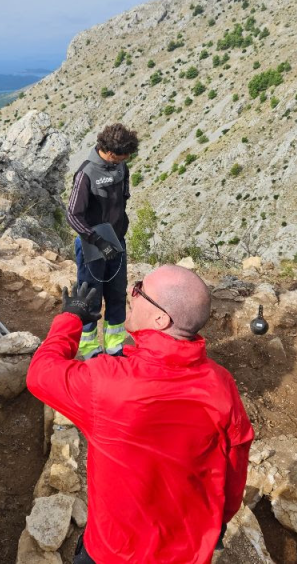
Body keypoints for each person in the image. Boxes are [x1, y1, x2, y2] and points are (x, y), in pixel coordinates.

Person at [27, 265, 254, 564]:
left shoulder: (107, 381)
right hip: (187, 553)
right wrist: (217, 523)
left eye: (139, 290)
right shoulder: (221, 384)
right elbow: (235, 467)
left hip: (113, 552)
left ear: (161, 319)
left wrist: (70, 319)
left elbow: (40, 374)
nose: (131, 293)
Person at [65, 123, 139, 359]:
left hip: (117, 242)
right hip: (92, 246)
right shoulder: (86, 173)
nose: (125, 160)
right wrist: (98, 241)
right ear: (108, 151)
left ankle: (115, 345)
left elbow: (123, 199)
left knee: (117, 294)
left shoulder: (121, 167)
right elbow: (72, 215)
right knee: (90, 297)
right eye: (122, 156)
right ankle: (88, 348)